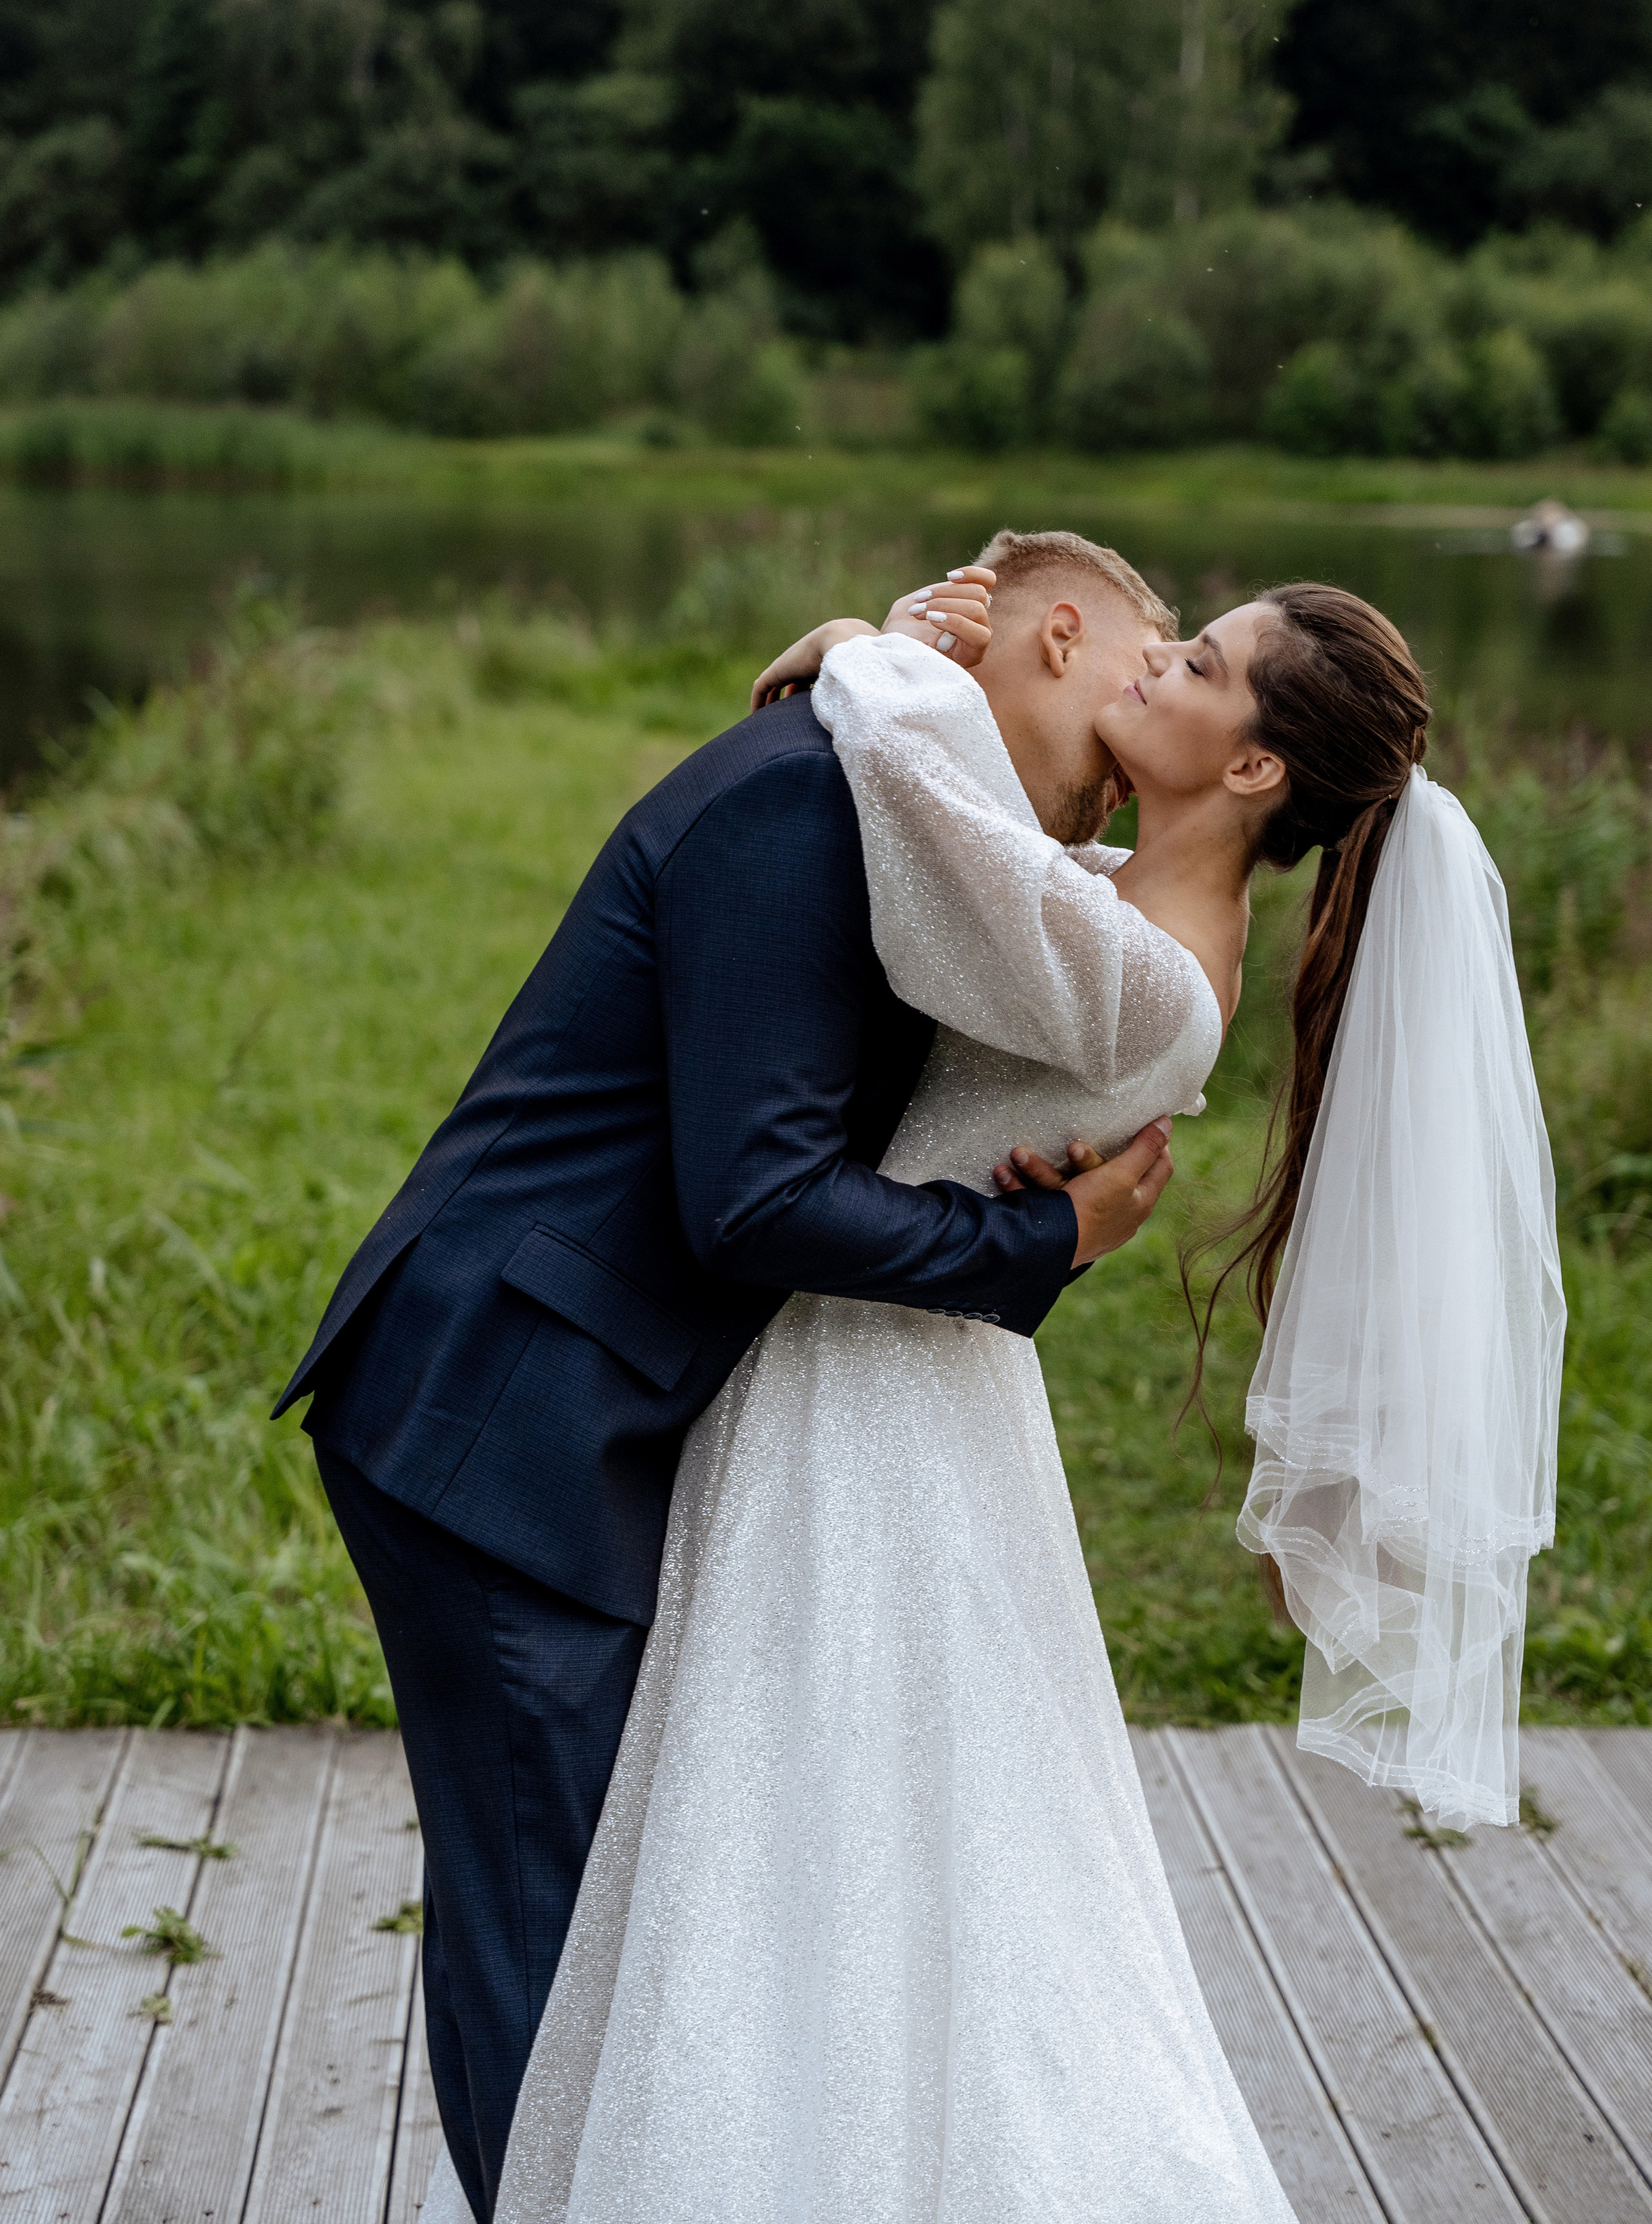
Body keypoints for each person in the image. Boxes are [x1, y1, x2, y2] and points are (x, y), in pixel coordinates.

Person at [469, 564, 1558, 2223]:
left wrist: (864, 649)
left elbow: (926, 813)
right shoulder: (1113, 906)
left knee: (823, 1798)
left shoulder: (1139, 974)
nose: (1159, 663)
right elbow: (978, 842)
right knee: (842, 1812)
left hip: (871, 1397)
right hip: (892, 1366)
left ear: (1250, 765)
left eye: (1199, 663)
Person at [276, 529, 1180, 2224]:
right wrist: (1035, 1245)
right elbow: (754, 1199)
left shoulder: (895, 793)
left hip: (581, 1410)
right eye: (1146, 675)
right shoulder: (807, 800)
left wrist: (869, 650)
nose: (1138, 742)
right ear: (1057, 633)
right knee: (556, 1953)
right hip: (503, 1421)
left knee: (599, 1934)